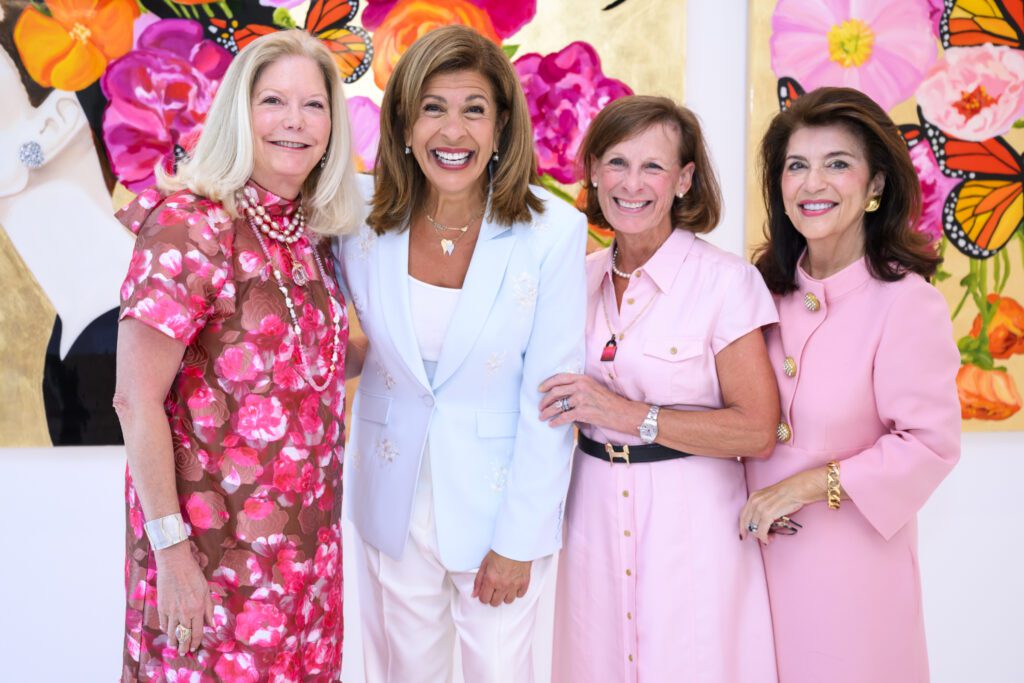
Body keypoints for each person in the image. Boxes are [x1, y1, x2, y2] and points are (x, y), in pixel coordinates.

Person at [337, 25, 586, 683]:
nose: (454, 131)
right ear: (404, 125)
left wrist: (520, 538)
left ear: (501, 125)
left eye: (473, 109)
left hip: (498, 507)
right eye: (433, 108)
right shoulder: (353, 213)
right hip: (389, 500)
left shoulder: (554, 231)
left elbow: (554, 396)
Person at [112, 30, 360, 681]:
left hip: (305, 564)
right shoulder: (189, 224)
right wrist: (171, 556)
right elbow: (133, 399)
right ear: (238, 113)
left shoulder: (309, 234)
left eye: (314, 105)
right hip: (207, 560)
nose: (294, 121)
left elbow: (319, 360)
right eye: (274, 100)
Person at [541, 95, 780, 682]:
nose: (632, 183)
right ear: (594, 171)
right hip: (590, 519)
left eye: (653, 166)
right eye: (617, 163)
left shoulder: (726, 283)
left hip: (693, 527)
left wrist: (627, 414)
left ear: (684, 179)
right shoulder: (576, 278)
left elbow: (758, 428)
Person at [740, 86, 961, 682]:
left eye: (837, 164)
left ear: (875, 186)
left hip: (851, 585)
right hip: (746, 579)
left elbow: (929, 443)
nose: (813, 183)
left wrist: (808, 485)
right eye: (796, 166)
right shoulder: (753, 294)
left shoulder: (906, 305)